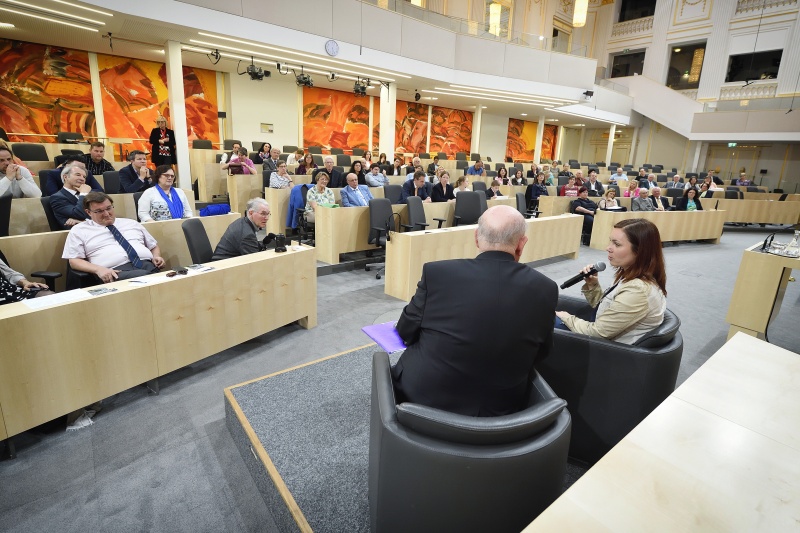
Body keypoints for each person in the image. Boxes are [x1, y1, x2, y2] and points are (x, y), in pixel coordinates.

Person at [392, 205, 558, 416]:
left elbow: (405, 330)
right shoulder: (546, 288)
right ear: (521, 243)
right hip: (501, 411)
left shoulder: (437, 273)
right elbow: (542, 352)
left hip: (421, 403)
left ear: (476, 238)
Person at [556, 218, 667, 344]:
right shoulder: (632, 276)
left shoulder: (638, 291)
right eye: (610, 242)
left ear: (640, 251)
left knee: (543, 318)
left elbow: (597, 333)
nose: (608, 248)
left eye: (617, 244)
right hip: (601, 338)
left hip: (603, 349)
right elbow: (608, 309)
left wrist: (567, 317)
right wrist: (593, 285)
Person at [63, 192, 165, 283]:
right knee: (149, 278)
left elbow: (153, 246)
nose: (106, 214)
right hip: (114, 272)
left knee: (162, 275)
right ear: (88, 212)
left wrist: (156, 256)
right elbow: (74, 261)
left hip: (147, 265)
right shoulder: (79, 230)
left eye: (108, 208)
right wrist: (98, 270)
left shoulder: (131, 223)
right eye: (99, 211)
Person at [51, 164, 93, 229]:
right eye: (78, 175)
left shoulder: (89, 194)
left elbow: (102, 215)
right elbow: (79, 214)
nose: (82, 179)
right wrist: (83, 194)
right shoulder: (57, 198)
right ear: (65, 177)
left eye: (84, 177)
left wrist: (82, 221)